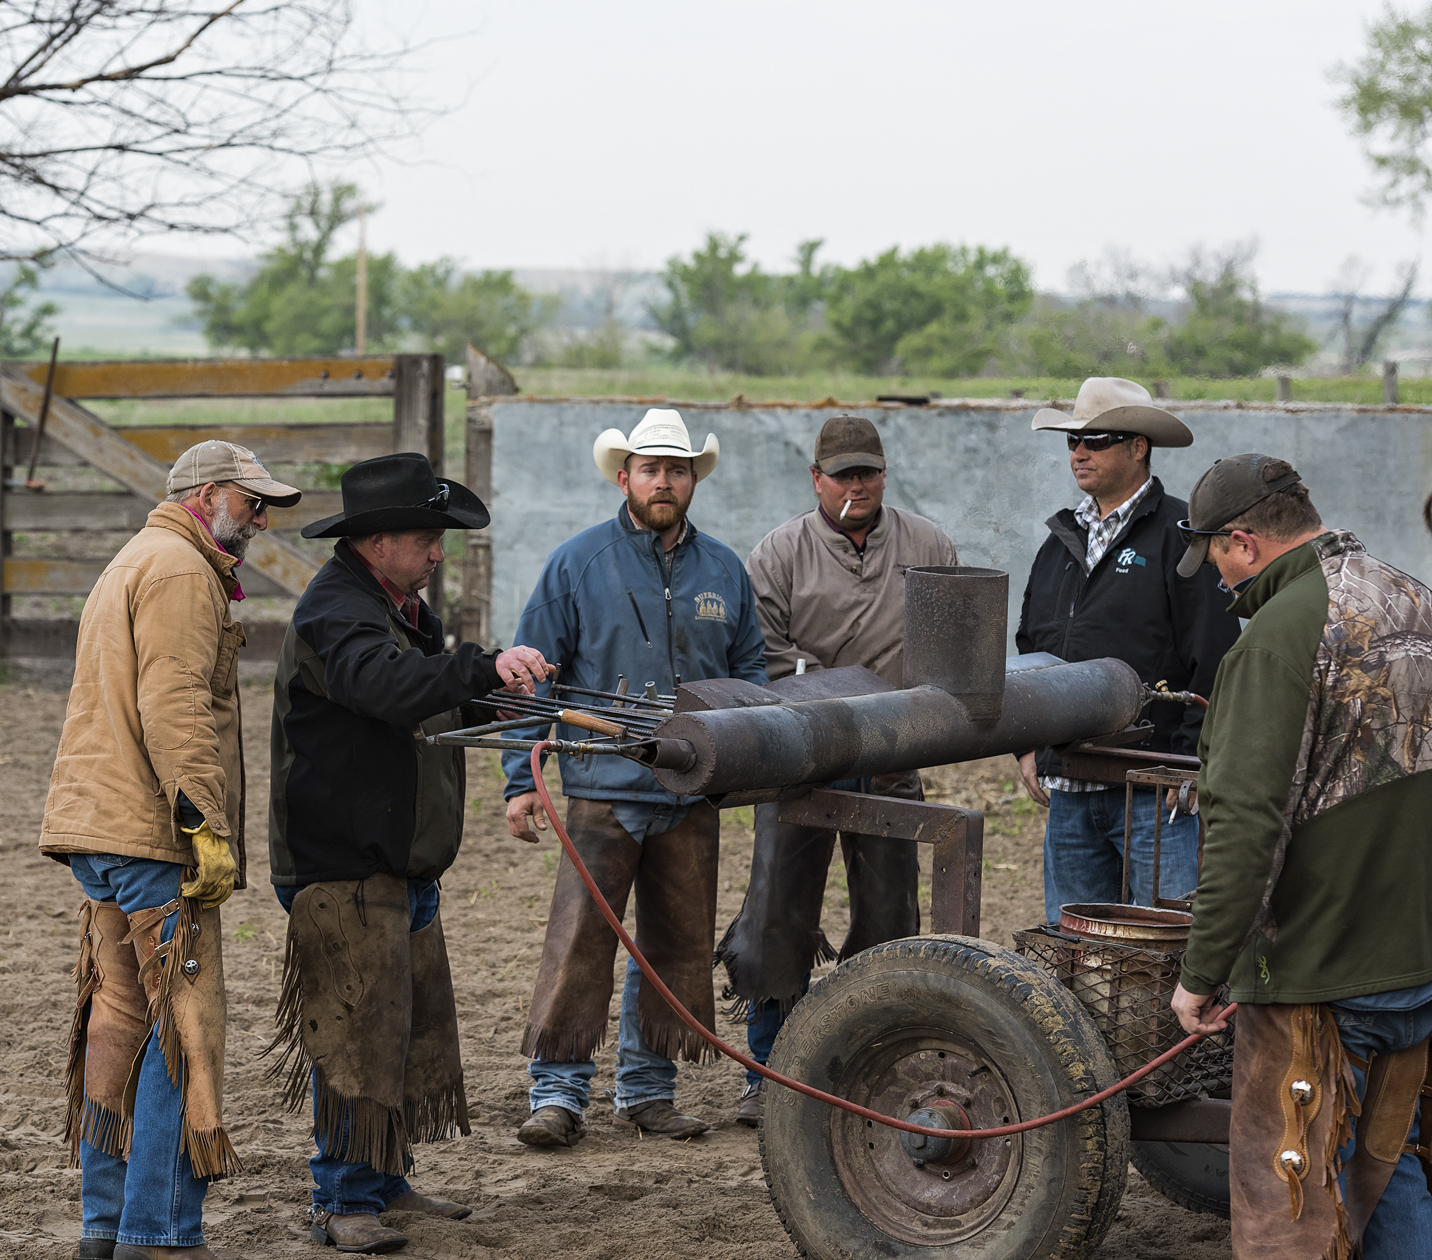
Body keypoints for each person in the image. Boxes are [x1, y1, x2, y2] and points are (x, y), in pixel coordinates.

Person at [266, 452, 553, 1254]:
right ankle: (341, 1198)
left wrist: (494, 684)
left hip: (397, 860)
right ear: (379, 540)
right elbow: (389, 688)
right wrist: (478, 665)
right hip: (344, 865)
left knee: (397, 1027)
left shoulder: (396, 610)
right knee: (355, 1030)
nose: (438, 552)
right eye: (427, 538)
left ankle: (381, 1180)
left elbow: (427, 683)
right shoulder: (336, 613)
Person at [41, 440, 300, 1260]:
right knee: (183, 1030)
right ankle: (160, 1231)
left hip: (101, 826)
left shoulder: (136, 558)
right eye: (250, 500)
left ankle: (104, 1225)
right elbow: (178, 707)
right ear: (207, 493)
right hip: (153, 834)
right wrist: (204, 829)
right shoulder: (185, 573)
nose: (259, 516)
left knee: (120, 1021)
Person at [1171, 454, 1432, 1259]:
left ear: (1243, 542)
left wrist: (1201, 973)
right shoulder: (1410, 598)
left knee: (1289, 1198)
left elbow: (1248, 824)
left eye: (1213, 552)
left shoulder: (1276, 640)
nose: (1213, 572)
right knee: (1392, 1171)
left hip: (1319, 972)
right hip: (1417, 961)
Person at [503, 407, 766, 1148]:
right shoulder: (577, 562)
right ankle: (557, 1094)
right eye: (651, 469)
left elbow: (750, 676)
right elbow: (535, 674)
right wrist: (519, 778)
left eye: (677, 470)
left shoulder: (724, 570)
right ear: (624, 477)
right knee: (580, 941)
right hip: (601, 787)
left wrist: (743, 760)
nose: (664, 481)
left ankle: (648, 1090)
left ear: (692, 481)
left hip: (693, 790)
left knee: (676, 946)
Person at [716, 414, 959, 1126]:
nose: (858, 485)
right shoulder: (778, 553)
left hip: (894, 755)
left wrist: (908, 711)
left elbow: (948, 641)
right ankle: (768, 1067)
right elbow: (758, 653)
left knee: (892, 910)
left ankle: (881, 1061)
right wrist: (830, 690)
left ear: (885, 473)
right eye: (844, 474)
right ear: (815, 479)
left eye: (869, 472)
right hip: (798, 755)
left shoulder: (929, 543)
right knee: (776, 908)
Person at [1014, 377, 1239, 923]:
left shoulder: (1181, 537)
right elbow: (1031, 647)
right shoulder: (1060, 539)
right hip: (1070, 784)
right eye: (1072, 441)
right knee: (1073, 945)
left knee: (1167, 944)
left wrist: (1188, 763)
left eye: (1097, 439)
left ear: (1138, 447)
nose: (1079, 452)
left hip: (1154, 788)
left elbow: (1215, 656)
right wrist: (1025, 741)